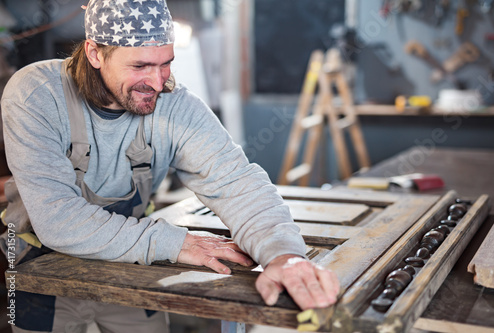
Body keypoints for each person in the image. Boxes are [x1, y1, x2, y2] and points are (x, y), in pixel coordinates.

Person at [0, 0, 340, 332]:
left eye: (166, 64)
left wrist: (284, 254)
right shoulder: (36, 95)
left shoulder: (176, 106)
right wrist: (174, 242)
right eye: (141, 66)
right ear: (94, 54)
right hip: (42, 267)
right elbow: (58, 219)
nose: (160, 82)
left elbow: (237, 183)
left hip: (131, 265)